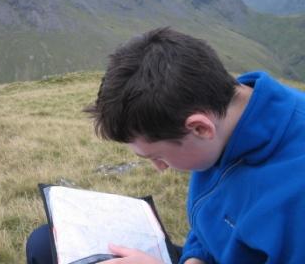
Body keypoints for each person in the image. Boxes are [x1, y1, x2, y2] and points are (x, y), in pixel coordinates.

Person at [27, 27, 305, 263]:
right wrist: (195, 257)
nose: (160, 168)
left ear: (199, 128)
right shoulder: (224, 122)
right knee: (45, 244)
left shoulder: (296, 197)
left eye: (158, 156)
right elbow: (209, 223)